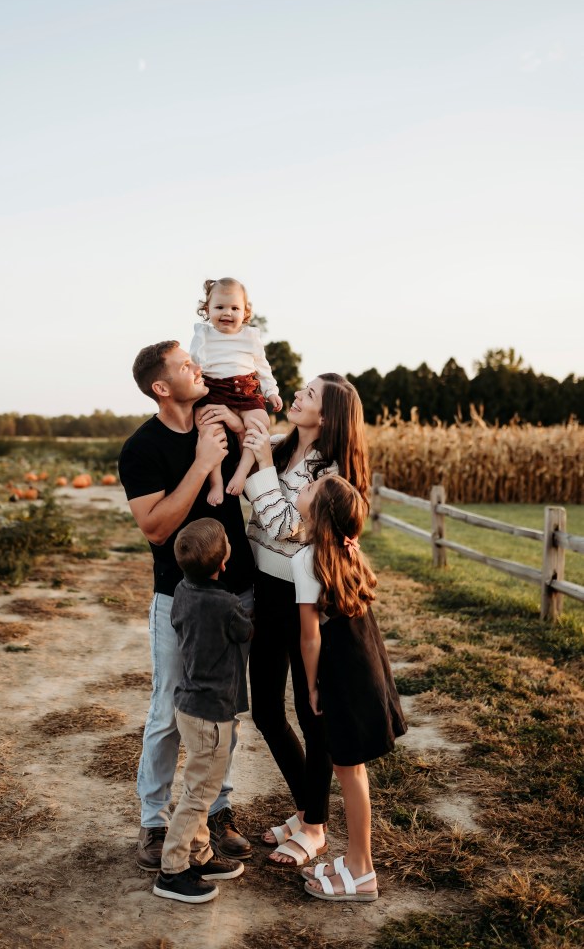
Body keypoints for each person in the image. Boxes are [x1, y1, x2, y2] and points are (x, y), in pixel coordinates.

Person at [118, 340, 255, 872]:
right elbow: (154, 529)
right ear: (161, 387)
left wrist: (239, 432)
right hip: (177, 600)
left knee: (225, 709)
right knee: (168, 713)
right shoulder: (142, 448)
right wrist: (201, 465)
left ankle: (214, 813)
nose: (197, 369)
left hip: (236, 591)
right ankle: (155, 822)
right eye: (184, 366)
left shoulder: (216, 421)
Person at [241, 373, 370, 868]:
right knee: (266, 710)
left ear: (329, 415)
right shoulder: (279, 444)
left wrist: (264, 467)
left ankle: (314, 828)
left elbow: (287, 526)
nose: (297, 395)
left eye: (309, 394)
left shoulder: (331, 471)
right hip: (264, 588)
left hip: (304, 595)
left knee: (310, 711)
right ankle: (308, 809)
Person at [294, 474, 407, 901]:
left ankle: (362, 872)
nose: (303, 488)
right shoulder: (343, 552)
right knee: (352, 770)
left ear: (318, 513)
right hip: (366, 663)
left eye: (309, 489)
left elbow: (310, 638)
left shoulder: (306, 560)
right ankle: (357, 860)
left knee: (348, 770)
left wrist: (311, 687)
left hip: (342, 673)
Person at [153, 518, 253, 904]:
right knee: (198, 795)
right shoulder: (226, 604)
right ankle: (173, 870)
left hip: (189, 706)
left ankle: (200, 854)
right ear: (224, 560)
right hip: (212, 715)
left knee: (200, 787)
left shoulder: (181, 590)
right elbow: (245, 631)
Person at [190, 277, 283, 505]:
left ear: (245, 311)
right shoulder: (203, 334)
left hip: (245, 390)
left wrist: (271, 391)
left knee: (260, 423)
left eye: (234, 308)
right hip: (213, 389)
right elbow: (194, 362)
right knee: (208, 429)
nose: (227, 313)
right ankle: (216, 481)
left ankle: (241, 472)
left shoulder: (250, 336)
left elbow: (262, 367)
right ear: (207, 309)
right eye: (219, 307)